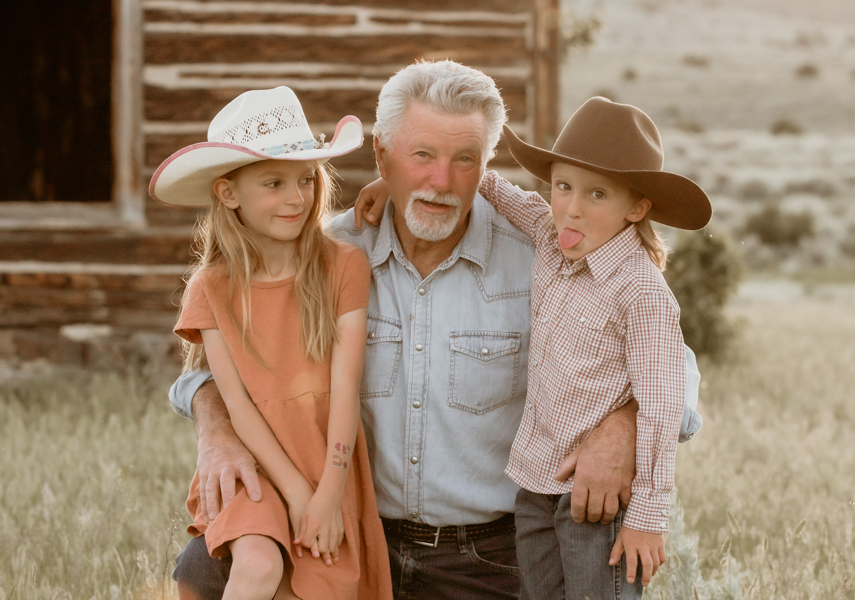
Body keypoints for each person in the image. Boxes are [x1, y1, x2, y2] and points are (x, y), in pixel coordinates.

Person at [169, 61, 704, 600]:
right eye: (421, 155)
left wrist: (624, 426)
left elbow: (671, 365)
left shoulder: (547, 258)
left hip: (492, 553)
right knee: (204, 570)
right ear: (382, 156)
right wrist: (216, 431)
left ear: (485, 166)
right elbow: (208, 370)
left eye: (464, 159)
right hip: (353, 529)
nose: (441, 182)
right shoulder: (324, 255)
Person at [149, 86, 393, 600]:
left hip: (326, 460)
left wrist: (326, 493)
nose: (296, 198)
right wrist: (297, 492)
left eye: (305, 179)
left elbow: (345, 388)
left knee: (314, 586)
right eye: (273, 183)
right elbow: (237, 405)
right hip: (256, 464)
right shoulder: (211, 288)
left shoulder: (343, 265)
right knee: (258, 566)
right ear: (228, 193)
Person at [478, 97, 711, 598]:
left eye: (597, 194)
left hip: (598, 501)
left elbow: (661, 404)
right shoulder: (549, 236)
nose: (572, 208)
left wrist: (647, 516)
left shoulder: (641, 291)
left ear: (637, 207)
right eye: (562, 186)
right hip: (536, 485)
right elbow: (499, 191)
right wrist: (406, 181)